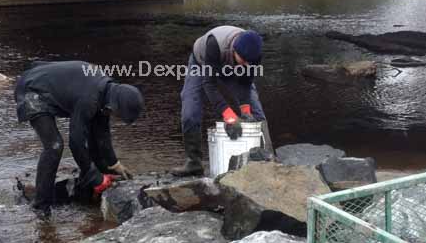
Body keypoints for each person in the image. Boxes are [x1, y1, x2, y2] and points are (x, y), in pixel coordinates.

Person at [15, 61, 143, 217]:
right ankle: (41, 206)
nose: (116, 117)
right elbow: (76, 143)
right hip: (32, 90)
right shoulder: (89, 98)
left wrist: (113, 164)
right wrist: (94, 177)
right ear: (114, 106)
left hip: (44, 81)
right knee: (54, 146)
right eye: (118, 115)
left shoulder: (105, 93)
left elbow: (101, 134)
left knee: (93, 135)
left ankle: (90, 190)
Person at [172, 26, 267, 177]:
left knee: (257, 115)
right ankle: (194, 163)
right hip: (202, 64)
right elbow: (209, 85)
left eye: (250, 63)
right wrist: (229, 116)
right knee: (190, 112)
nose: (246, 65)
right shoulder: (214, 45)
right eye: (243, 61)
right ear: (234, 50)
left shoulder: (252, 55)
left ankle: (267, 159)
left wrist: (245, 111)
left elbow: (245, 83)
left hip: (231, 66)